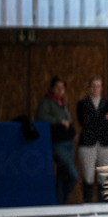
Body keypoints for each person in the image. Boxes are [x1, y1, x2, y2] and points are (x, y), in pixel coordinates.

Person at [34, 76, 79, 204]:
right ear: (52, 88)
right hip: (58, 143)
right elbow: (41, 116)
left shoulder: (62, 103)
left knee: (62, 175)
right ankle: (62, 198)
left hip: (69, 142)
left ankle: (61, 204)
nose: (60, 90)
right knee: (73, 174)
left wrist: (73, 131)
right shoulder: (46, 102)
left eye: (62, 88)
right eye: (58, 88)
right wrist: (59, 121)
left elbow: (68, 120)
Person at [76, 75, 108, 203]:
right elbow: (85, 122)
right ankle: (87, 204)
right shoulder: (82, 104)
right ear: (89, 88)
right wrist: (103, 119)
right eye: (93, 86)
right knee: (88, 175)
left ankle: (101, 205)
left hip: (105, 143)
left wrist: (97, 121)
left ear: (101, 88)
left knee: (103, 176)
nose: (95, 89)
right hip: (88, 143)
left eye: (98, 86)